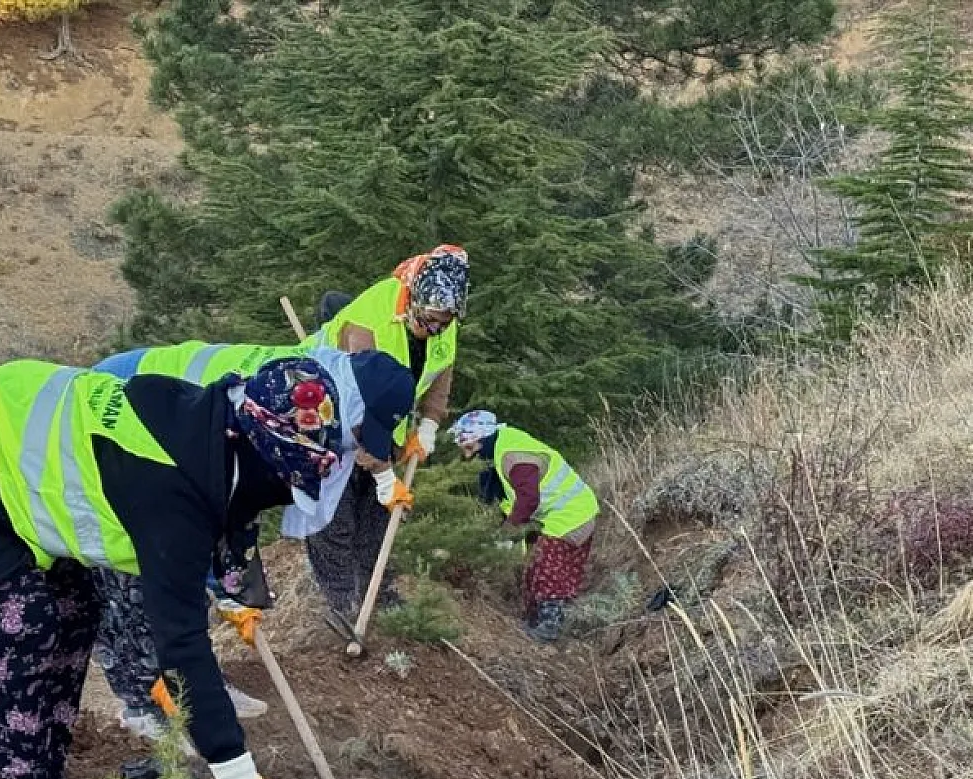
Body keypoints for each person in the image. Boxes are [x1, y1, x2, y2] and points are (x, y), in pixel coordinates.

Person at [0, 354, 344, 779]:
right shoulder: (171, 488)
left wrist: (234, 588)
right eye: (283, 473)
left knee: (75, 611)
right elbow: (182, 643)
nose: (283, 491)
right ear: (251, 442)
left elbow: (230, 508)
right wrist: (236, 777)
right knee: (18, 633)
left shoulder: (212, 423)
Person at [85, 340, 416, 735]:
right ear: (353, 405)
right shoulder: (284, 400)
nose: (358, 441)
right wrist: (225, 583)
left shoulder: (316, 396)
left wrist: (383, 478)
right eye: (362, 429)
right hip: (123, 411)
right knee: (134, 574)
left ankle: (195, 688)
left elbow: (234, 506)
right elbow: (207, 507)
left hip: (177, 432)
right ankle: (144, 707)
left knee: (182, 582)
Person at [308, 246, 469, 631]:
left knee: (377, 515)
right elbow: (359, 410)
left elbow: (440, 370)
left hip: (383, 421)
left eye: (443, 323)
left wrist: (428, 425)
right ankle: (339, 600)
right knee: (335, 512)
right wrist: (383, 475)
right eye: (430, 321)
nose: (435, 329)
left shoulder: (445, 320)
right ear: (413, 298)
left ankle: (377, 593)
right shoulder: (368, 322)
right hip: (329, 417)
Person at [447, 409, 599, 643]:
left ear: (483, 439)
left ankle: (550, 625)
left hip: (572, 514)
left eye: (469, 448)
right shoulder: (499, 449)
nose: (467, 457)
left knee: (548, 566)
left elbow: (528, 499)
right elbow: (513, 500)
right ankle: (536, 620)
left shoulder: (514, 456)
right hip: (555, 515)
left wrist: (509, 533)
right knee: (533, 568)